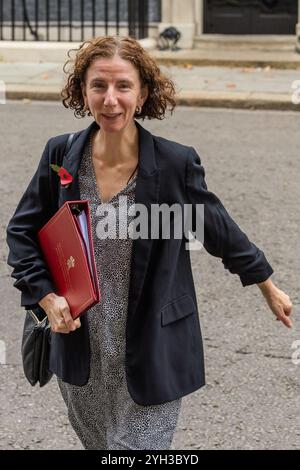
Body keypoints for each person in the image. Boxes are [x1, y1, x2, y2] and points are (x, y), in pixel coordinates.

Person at [6, 36, 293, 451]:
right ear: (82, 92)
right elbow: (23, 232)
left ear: (142, 94)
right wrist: (46, 298)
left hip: (151, 344)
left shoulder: (175, 163)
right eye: (98, 86)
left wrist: (265, 282)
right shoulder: (61, 156)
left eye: (123, 86)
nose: (110, 99)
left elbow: (216, 226)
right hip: (80, 343)